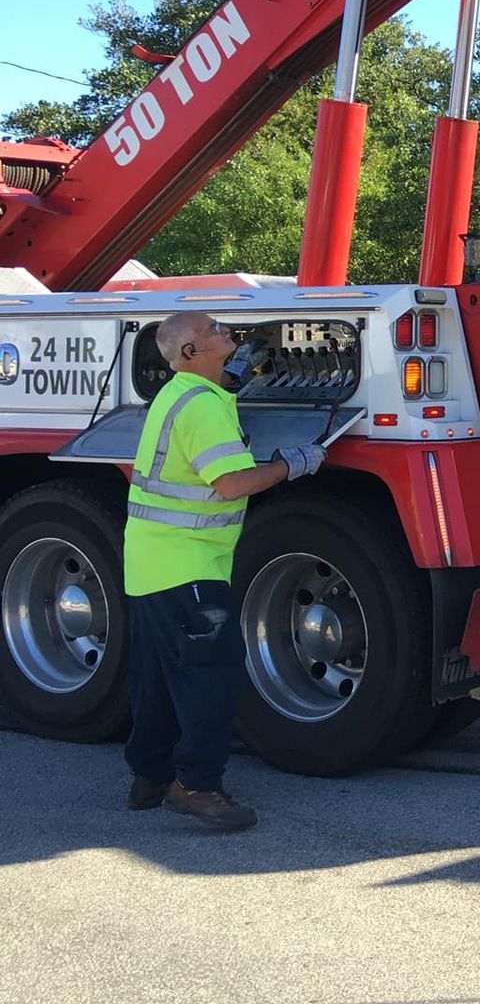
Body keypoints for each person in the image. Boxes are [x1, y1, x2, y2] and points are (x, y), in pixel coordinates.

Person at [123, 312, 325, 832]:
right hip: (189, 566)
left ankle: (149, 777)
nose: (227, 334)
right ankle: (198, 787)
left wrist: (239, 375)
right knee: (210, 677)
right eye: (215, 331)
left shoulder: (182, 393)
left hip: (152, 563)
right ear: (191, 352)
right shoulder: (203, 410)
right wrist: (292, 465)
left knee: (160, 677)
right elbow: (232, 483)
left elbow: (213, 404)